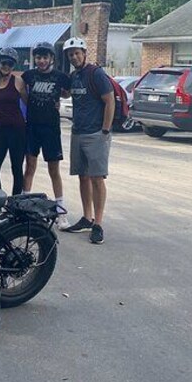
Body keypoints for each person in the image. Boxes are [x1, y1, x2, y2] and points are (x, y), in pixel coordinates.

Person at [63, 37, 115, 244]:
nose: (74, 56)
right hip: (78, 131)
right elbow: (66, 94)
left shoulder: (97, 73)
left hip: (96, 133)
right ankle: (87, 217)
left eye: (77, 52)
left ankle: (98, 224)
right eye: (70, 54)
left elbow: (109, 100)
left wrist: (105, 129)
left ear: (84, 53)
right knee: (82, 177)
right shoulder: (74, 76)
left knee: (97, 178)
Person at [22, 41, 73, 230]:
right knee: (30, 168)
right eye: (38, 57)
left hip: (51, 129)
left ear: (51, 58)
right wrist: (26, 101)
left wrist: (60, 101)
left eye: (45, 57)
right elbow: (18, 86)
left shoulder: (60, 77)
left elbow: (68, 93)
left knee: (54, 171)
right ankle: (25, 207)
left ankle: (61, 213)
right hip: (32, 127)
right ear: (34, 59)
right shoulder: (29, 76)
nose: (41, 60)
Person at [0, 47, 27, 196]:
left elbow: (29, 102)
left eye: (10, 64)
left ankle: (14, 203)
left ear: (13, 66)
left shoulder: (18, 81)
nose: (6, 66)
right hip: (0, 130)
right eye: (4, 63)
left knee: (16, 168)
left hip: (17, 130)